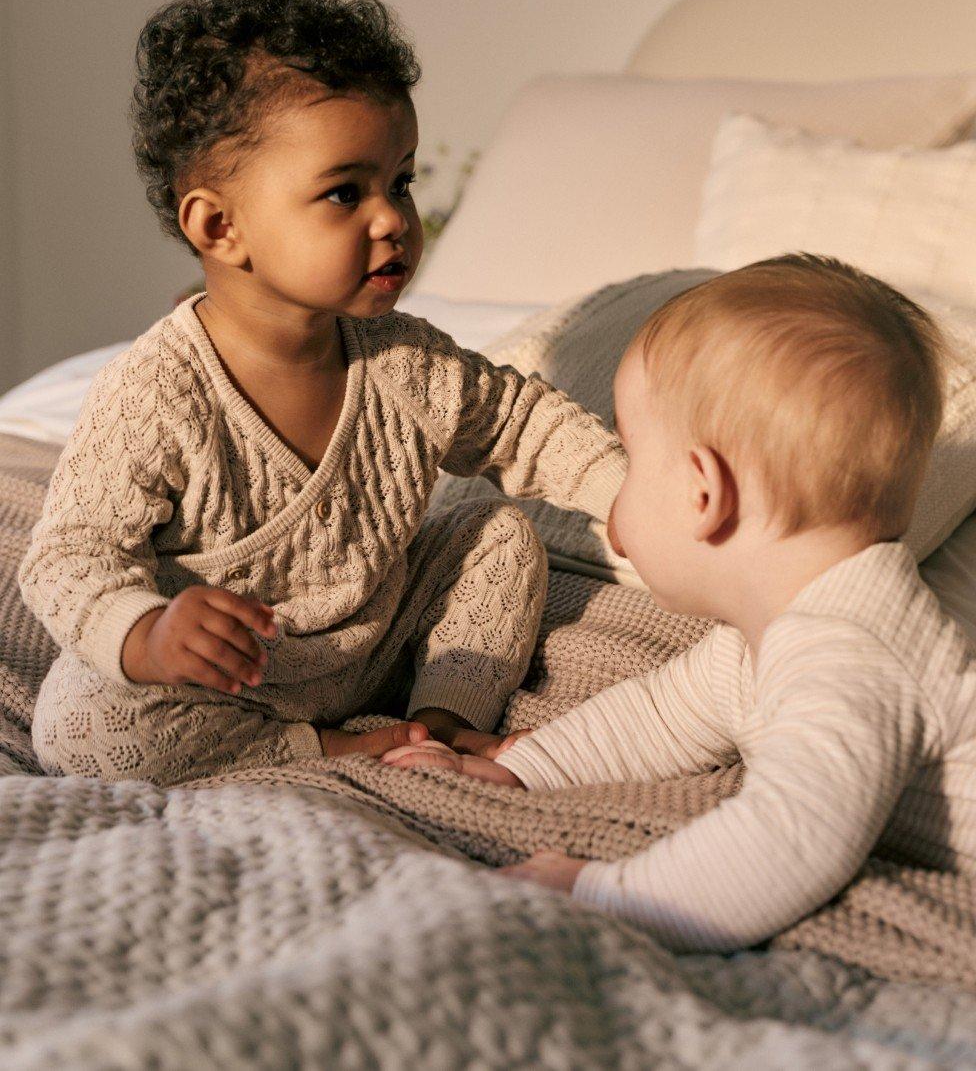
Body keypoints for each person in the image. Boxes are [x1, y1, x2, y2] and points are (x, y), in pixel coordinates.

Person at [20, 0, 624, 786]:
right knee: (80, 728)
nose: (391, 219)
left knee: (499, 532)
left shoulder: (405, 358)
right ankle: (339, 750)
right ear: (220, 225)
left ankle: (440, 723)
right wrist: (151, 634)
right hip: (229, 679)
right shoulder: (156, 393)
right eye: (346, 191)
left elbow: (525, 425)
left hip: (372, 646)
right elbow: (68, 556)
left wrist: (631, 493)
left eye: (401, 181)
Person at [385, 255, 976, 952]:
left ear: (703, 494)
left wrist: (597, 891)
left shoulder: (850, 655)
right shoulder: (774, 631)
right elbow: (657, 717)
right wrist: (521, 769)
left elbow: (788, 844)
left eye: (630, 458)